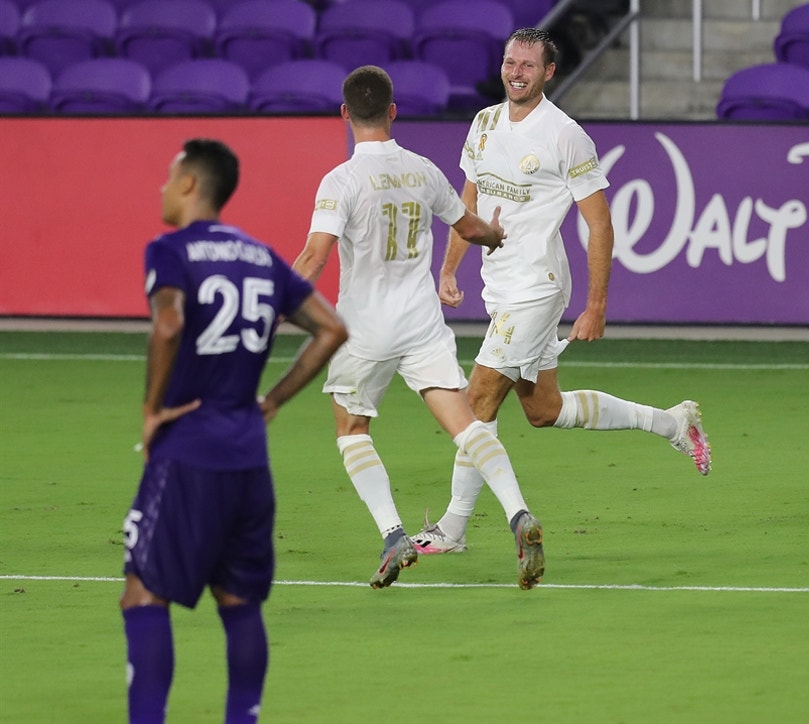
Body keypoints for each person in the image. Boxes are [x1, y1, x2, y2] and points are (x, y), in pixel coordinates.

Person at [411, 27, 711, 557]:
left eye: (528, 65)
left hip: (537, 286)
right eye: (510, 63)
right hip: (500, 286)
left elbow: (599, 222)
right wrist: (450, 268)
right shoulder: (482, 122)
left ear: (549, 72)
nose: (516, 73)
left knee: (475, 402)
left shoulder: (565, 134)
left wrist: (596, 305)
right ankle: (670, 422)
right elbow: (469, 201)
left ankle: (453, 529)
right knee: (543, 410)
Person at [292, 65, 546, 590]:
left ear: (344, 114)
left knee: (352, 430)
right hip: (422, 324)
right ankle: (519, 514)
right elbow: (468, 225)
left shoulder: (340, 181)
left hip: (363, 327)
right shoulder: (423, 170)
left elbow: (315, 257)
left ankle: (392, 534)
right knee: (468, 426)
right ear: (392, 111)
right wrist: (495, 236)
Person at [121, 138, 348, 723]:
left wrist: (151, 410)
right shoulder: (261, 256)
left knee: (143, 594)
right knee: (240, 604)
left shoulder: (169, 250)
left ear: (192, 184)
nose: (163, 188)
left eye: (170, 177)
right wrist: (271, 399)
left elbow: (168, 323)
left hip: (188, 454)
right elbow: (330, 329)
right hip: (250, 457)